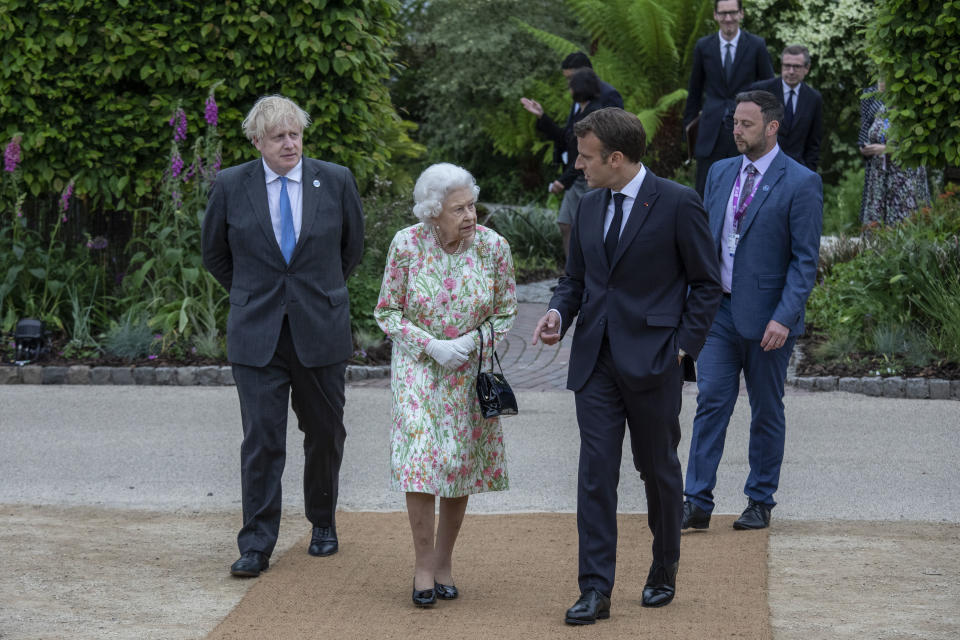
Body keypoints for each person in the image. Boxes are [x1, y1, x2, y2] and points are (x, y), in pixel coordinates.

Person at [532, 108, 722, 623]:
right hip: (595, 360)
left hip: (656, 360)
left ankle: (664, 567)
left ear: (616, 158)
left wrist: (683, 348)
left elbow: (707, 284)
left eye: (586, 156)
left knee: (657, 470)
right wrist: (556, 313)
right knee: (595, 474)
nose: (578, 164)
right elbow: (575, 280)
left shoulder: (679, 203)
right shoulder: (589, 206)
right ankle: (595, 588)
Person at [201, 95, 364, 578]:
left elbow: (350, 250)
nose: (289, 143)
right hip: (258, 334)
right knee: (262, 440)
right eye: (278, 136)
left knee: (325, 433)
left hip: (320, 327)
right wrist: (255, 295)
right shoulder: (232, 185)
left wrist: (312, 293)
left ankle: (322, 523)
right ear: (258, 142)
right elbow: (215, 254)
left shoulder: (334, 180)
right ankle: (256, 544)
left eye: (295, 134)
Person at [374, 163, 518, 607]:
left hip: (468, 370)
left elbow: (506, 312)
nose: (470, 215)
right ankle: (421, 567)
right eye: (459, 209)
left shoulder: (494, 248)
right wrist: (432, 346)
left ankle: (443, 562)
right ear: (432, 213)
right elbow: (387, 312)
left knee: (458, 463)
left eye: (472, 204)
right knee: (420, 460)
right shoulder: (407, 244)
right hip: (420, 365)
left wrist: (473, 341)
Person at [682, 90, 822, 534]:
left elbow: (804, 261)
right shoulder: (721, 172)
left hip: (769, 319)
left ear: (772, 126)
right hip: (719, 314)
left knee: (766, 408)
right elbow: (706, 241)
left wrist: (783, 317)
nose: (736, 131)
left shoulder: (801, 182)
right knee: (711, 403)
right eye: (735, 123)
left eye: (745, 124)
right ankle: (696, 500)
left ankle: (759, 500)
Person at [684, 0, 774, 197]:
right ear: (715, 15)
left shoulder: (756, 45)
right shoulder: (703, 46)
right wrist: (689, 129)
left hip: (746, 131)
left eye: (733, 12)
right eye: (723, 13)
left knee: (743, 193)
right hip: (710, 134)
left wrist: (766, 131)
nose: (728, 18)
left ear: (741, 14)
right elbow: (695, 91)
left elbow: (768, 89)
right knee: (705, 194)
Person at [521, 69, 604, 256]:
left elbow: (586, 152)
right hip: (575, 177)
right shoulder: (580, 111)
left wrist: (563, 180)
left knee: (583, 227)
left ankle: (583, 275)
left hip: (585, 177)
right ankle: (571, 275)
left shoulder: (595, 113)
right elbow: (565, 138)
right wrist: (541, 116)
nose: (569, 91)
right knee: (566, 223)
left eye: (571, 87)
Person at [858, 80, 931, 226]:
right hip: (879, 177)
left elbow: (920, 146)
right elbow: (867, 132)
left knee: (906, 225)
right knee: (878, 230)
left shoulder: (913, 104)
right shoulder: (878, 105)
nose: (882, 82)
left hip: (905, 177)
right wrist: (865, 148)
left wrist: (887, 150)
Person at [751, 45, 823, 171]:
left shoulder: (813, 98)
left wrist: (808, 170)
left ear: (807, 68)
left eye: (796, 67)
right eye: (787, 65)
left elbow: (814, 142)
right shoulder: (761, 91)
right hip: (762, 167)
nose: (791, 71)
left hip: (797, 170)